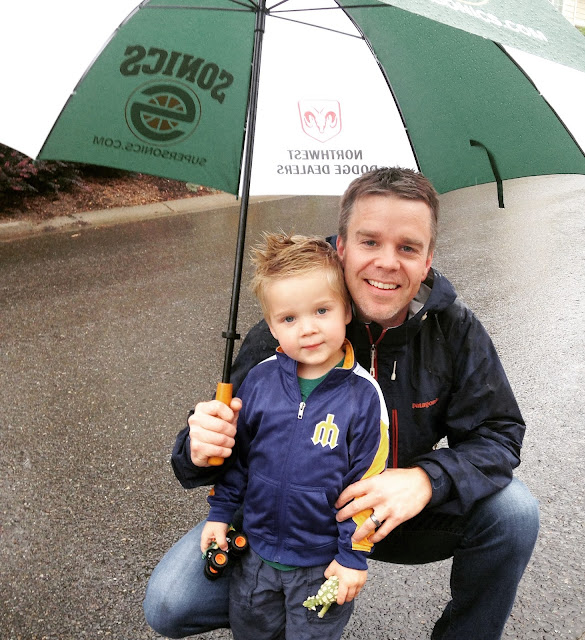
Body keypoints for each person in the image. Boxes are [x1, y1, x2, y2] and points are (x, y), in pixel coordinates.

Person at [145, 168, 540, 640]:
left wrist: (425, 479)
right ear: (342, 247)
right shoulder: (294, 327)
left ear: (428, 259)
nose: (387, 263)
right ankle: (279, 598)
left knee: (513, 514)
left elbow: (499, 434)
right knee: (169, 603)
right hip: (284, 518)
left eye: (408, 248)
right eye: (369, 241)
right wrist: (197, 447)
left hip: (391, 511)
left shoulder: (454, 329)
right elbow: (214, 452)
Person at [199, 232, 389, 639]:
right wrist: (219, 514)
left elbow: (368, 483)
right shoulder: (259, 381)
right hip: (255, 556)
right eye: (289, 319)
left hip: (321, 565)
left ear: (346, 310)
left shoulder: (363, 396)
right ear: (271, 326)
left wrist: (353, 555)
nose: (308, 329)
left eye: (322, 310)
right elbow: (238, 460)